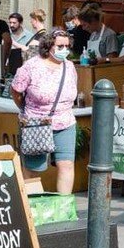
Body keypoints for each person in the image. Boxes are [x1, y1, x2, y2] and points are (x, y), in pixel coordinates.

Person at [11, 29, 78, 193]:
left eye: (67, 46)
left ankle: (64, 206)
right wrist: (24, 109)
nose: (64, 50)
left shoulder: (69, 67)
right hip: (36, 123)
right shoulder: (31, 66)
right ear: (48, 46)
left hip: (65, 122)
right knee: (34, 168)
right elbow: (16, 90)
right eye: (60, 46)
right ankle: (32, 209)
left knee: (66, 164)